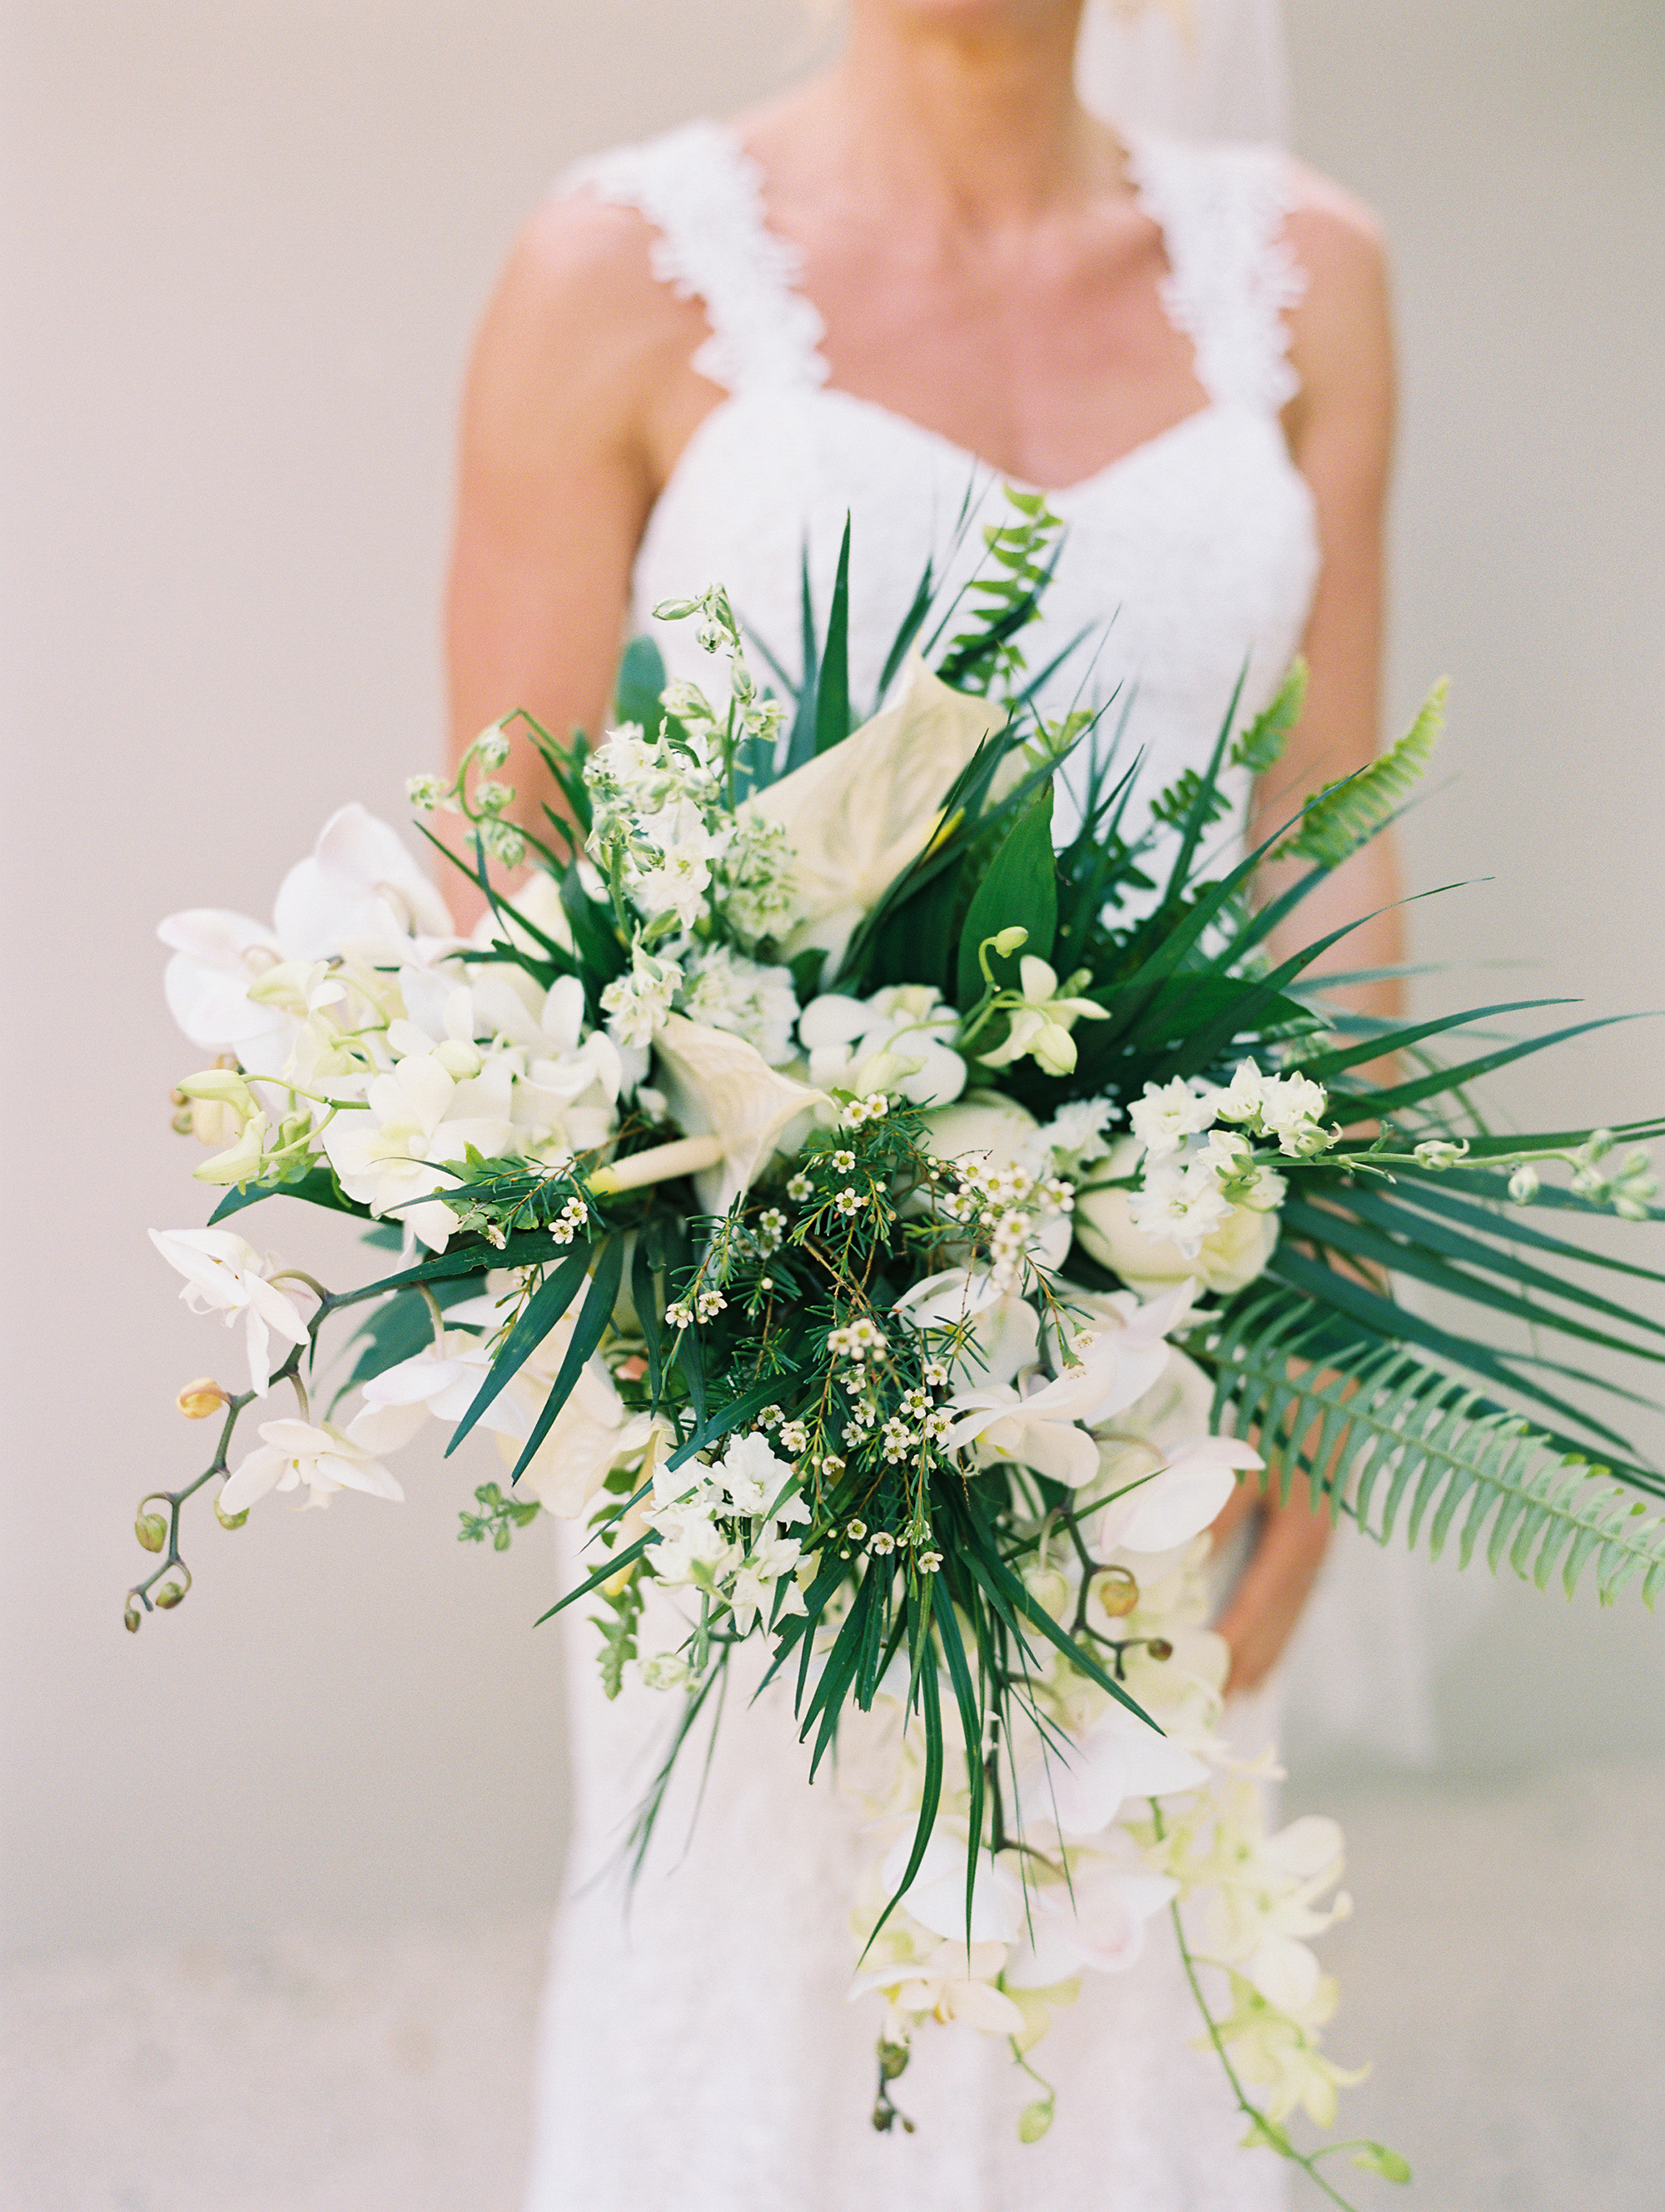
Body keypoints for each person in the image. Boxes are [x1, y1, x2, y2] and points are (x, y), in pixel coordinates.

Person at [445, 2, 1399, 2202]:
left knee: (1115, 2006)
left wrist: (1332, 1338)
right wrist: (712, 1291)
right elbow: (503, 883)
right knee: (765, 2000)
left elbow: (1333, 838)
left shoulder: (1313, 282)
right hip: (747, 1376)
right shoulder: (612, 271)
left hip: (1168, 1346)